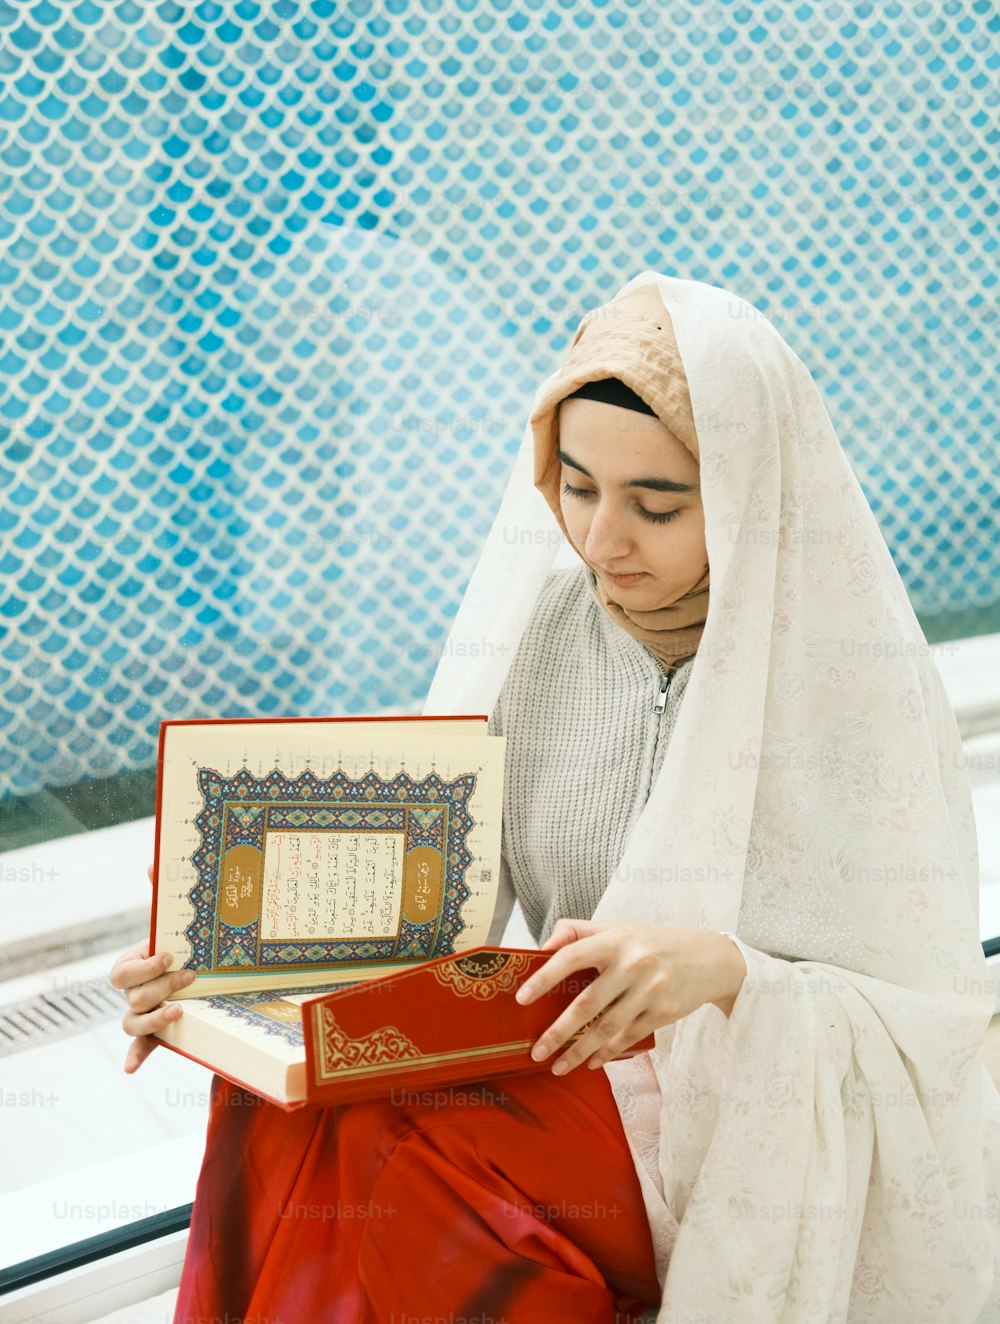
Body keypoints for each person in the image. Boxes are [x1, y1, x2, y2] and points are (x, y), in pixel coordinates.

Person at [111, 271, 1000, 1322]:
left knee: (394, 1144)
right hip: (558, 1071)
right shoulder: (536, 635)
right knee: (285, 1098)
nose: (601, 541)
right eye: (576, 488)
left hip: (734, 1131)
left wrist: (720, 972)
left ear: (755, 496)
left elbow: (930, 1036)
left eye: (656, 504)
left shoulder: (844, 676)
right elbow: (425, 922)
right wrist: (212, 978)